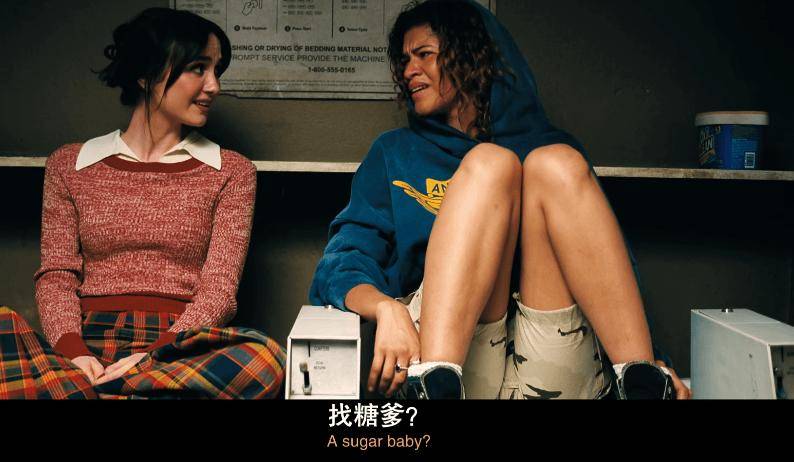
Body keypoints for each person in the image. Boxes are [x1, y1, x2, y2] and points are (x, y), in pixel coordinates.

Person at [310, 0, 690, 399]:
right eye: (404, 60)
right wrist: (386, 309)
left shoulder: (548, 148)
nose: (408, 71)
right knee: (491, 164)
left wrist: (656, 360)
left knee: (556, 163)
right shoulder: (395, 153)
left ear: (469, 57)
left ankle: (642, 380)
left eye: (423, 54)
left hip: (550, 357)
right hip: (454, 355)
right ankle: (434, 385)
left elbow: (609, 265)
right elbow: (343, 261)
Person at [0, 7, 285, 399]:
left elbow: (219, 289)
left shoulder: (232, 171)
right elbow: (57, 276)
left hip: (178, 347)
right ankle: (113, 388)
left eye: (217, 70)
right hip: (83, 341)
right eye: (198, 68)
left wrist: (153, 356)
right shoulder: (68, 164)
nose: (214, 86)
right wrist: (74, 353)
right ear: (146, 73)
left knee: (265, 359)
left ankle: (94, 391)